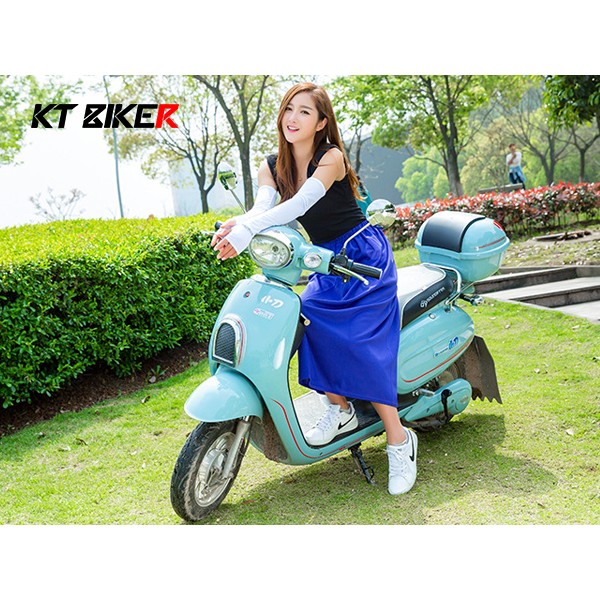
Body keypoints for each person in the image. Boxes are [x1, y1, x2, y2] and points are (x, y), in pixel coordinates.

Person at [211, 82, 417, 495]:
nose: (293, 118)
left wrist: (247, 229)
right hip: (321, 259)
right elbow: (264, 208)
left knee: (361, 342)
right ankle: (339, 409)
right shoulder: (272, 165)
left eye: (305, 112)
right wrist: (240, 223)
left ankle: (399, 439)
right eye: (289, 108)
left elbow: (300, 204)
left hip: (362, 256)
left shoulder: (331, 157)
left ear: (322, 123)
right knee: (306, 321)